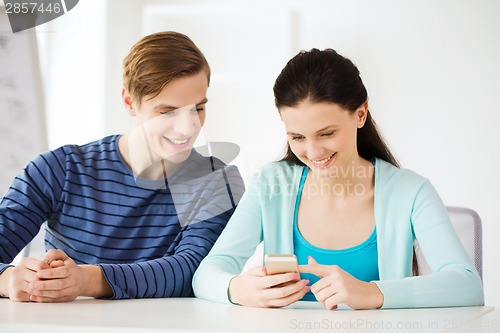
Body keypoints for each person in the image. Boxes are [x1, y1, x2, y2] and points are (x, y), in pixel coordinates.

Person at [192, 48, 484, 309]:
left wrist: (372, 293)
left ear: (360, 114)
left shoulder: (410, 192)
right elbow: (207, 274)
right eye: (297, 137)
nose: (313, 151)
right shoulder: (272, 184)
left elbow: (467, 285)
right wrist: (237, 289)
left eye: (327, 133)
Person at [0, 31, 244, 302]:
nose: (188, 128)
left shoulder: (217, 181)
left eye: (197, 108)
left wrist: (85, 280)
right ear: (130, 101)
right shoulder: (59, 169)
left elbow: (193, 270)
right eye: (168, 111)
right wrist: (7, 278)